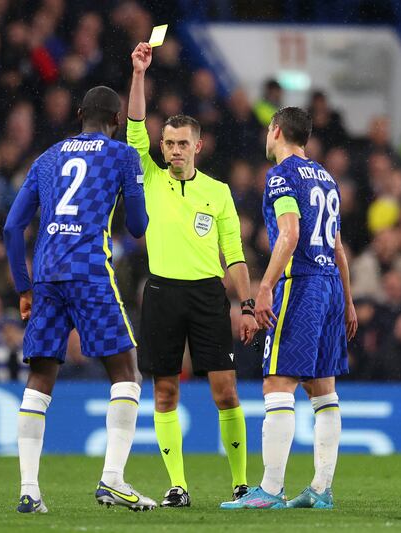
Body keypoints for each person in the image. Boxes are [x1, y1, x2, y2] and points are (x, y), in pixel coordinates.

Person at [3, 85, 156, 513]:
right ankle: (112, 481)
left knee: (40, 380)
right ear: (117, 120)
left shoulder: (47, 158)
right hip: (89, 270)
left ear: (77, 114)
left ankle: (29, 491)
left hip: (48, 276)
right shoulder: (122, 154)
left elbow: (13, 229)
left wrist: (23, 287)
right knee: (126, 374)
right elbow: (140, 226)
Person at [127, 42, 258, 508]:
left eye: (184, 143)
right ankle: (177, 485)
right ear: (161, 147)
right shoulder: (148, 174)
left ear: (198, 146)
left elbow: (235, 257)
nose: (176, 149)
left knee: (226, 390)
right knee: (164, 389)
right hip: (161, 291)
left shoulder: (219, 193)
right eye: (170, 143)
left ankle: (241, 483)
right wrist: (140, 73)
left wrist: (244, 305)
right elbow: (135, 125)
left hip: (206, 294)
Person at [222, 107, 358, 510]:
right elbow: (337, 248)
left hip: (301, 285)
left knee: (277, 384)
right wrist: (347, 300)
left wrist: (265, 287)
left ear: (277, 131)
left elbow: (291, 232)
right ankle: (320, 489)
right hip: (331, 285)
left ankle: (271, 490)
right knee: (323, 390)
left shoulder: (282, 175)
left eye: (268, 129)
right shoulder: (327, 178)